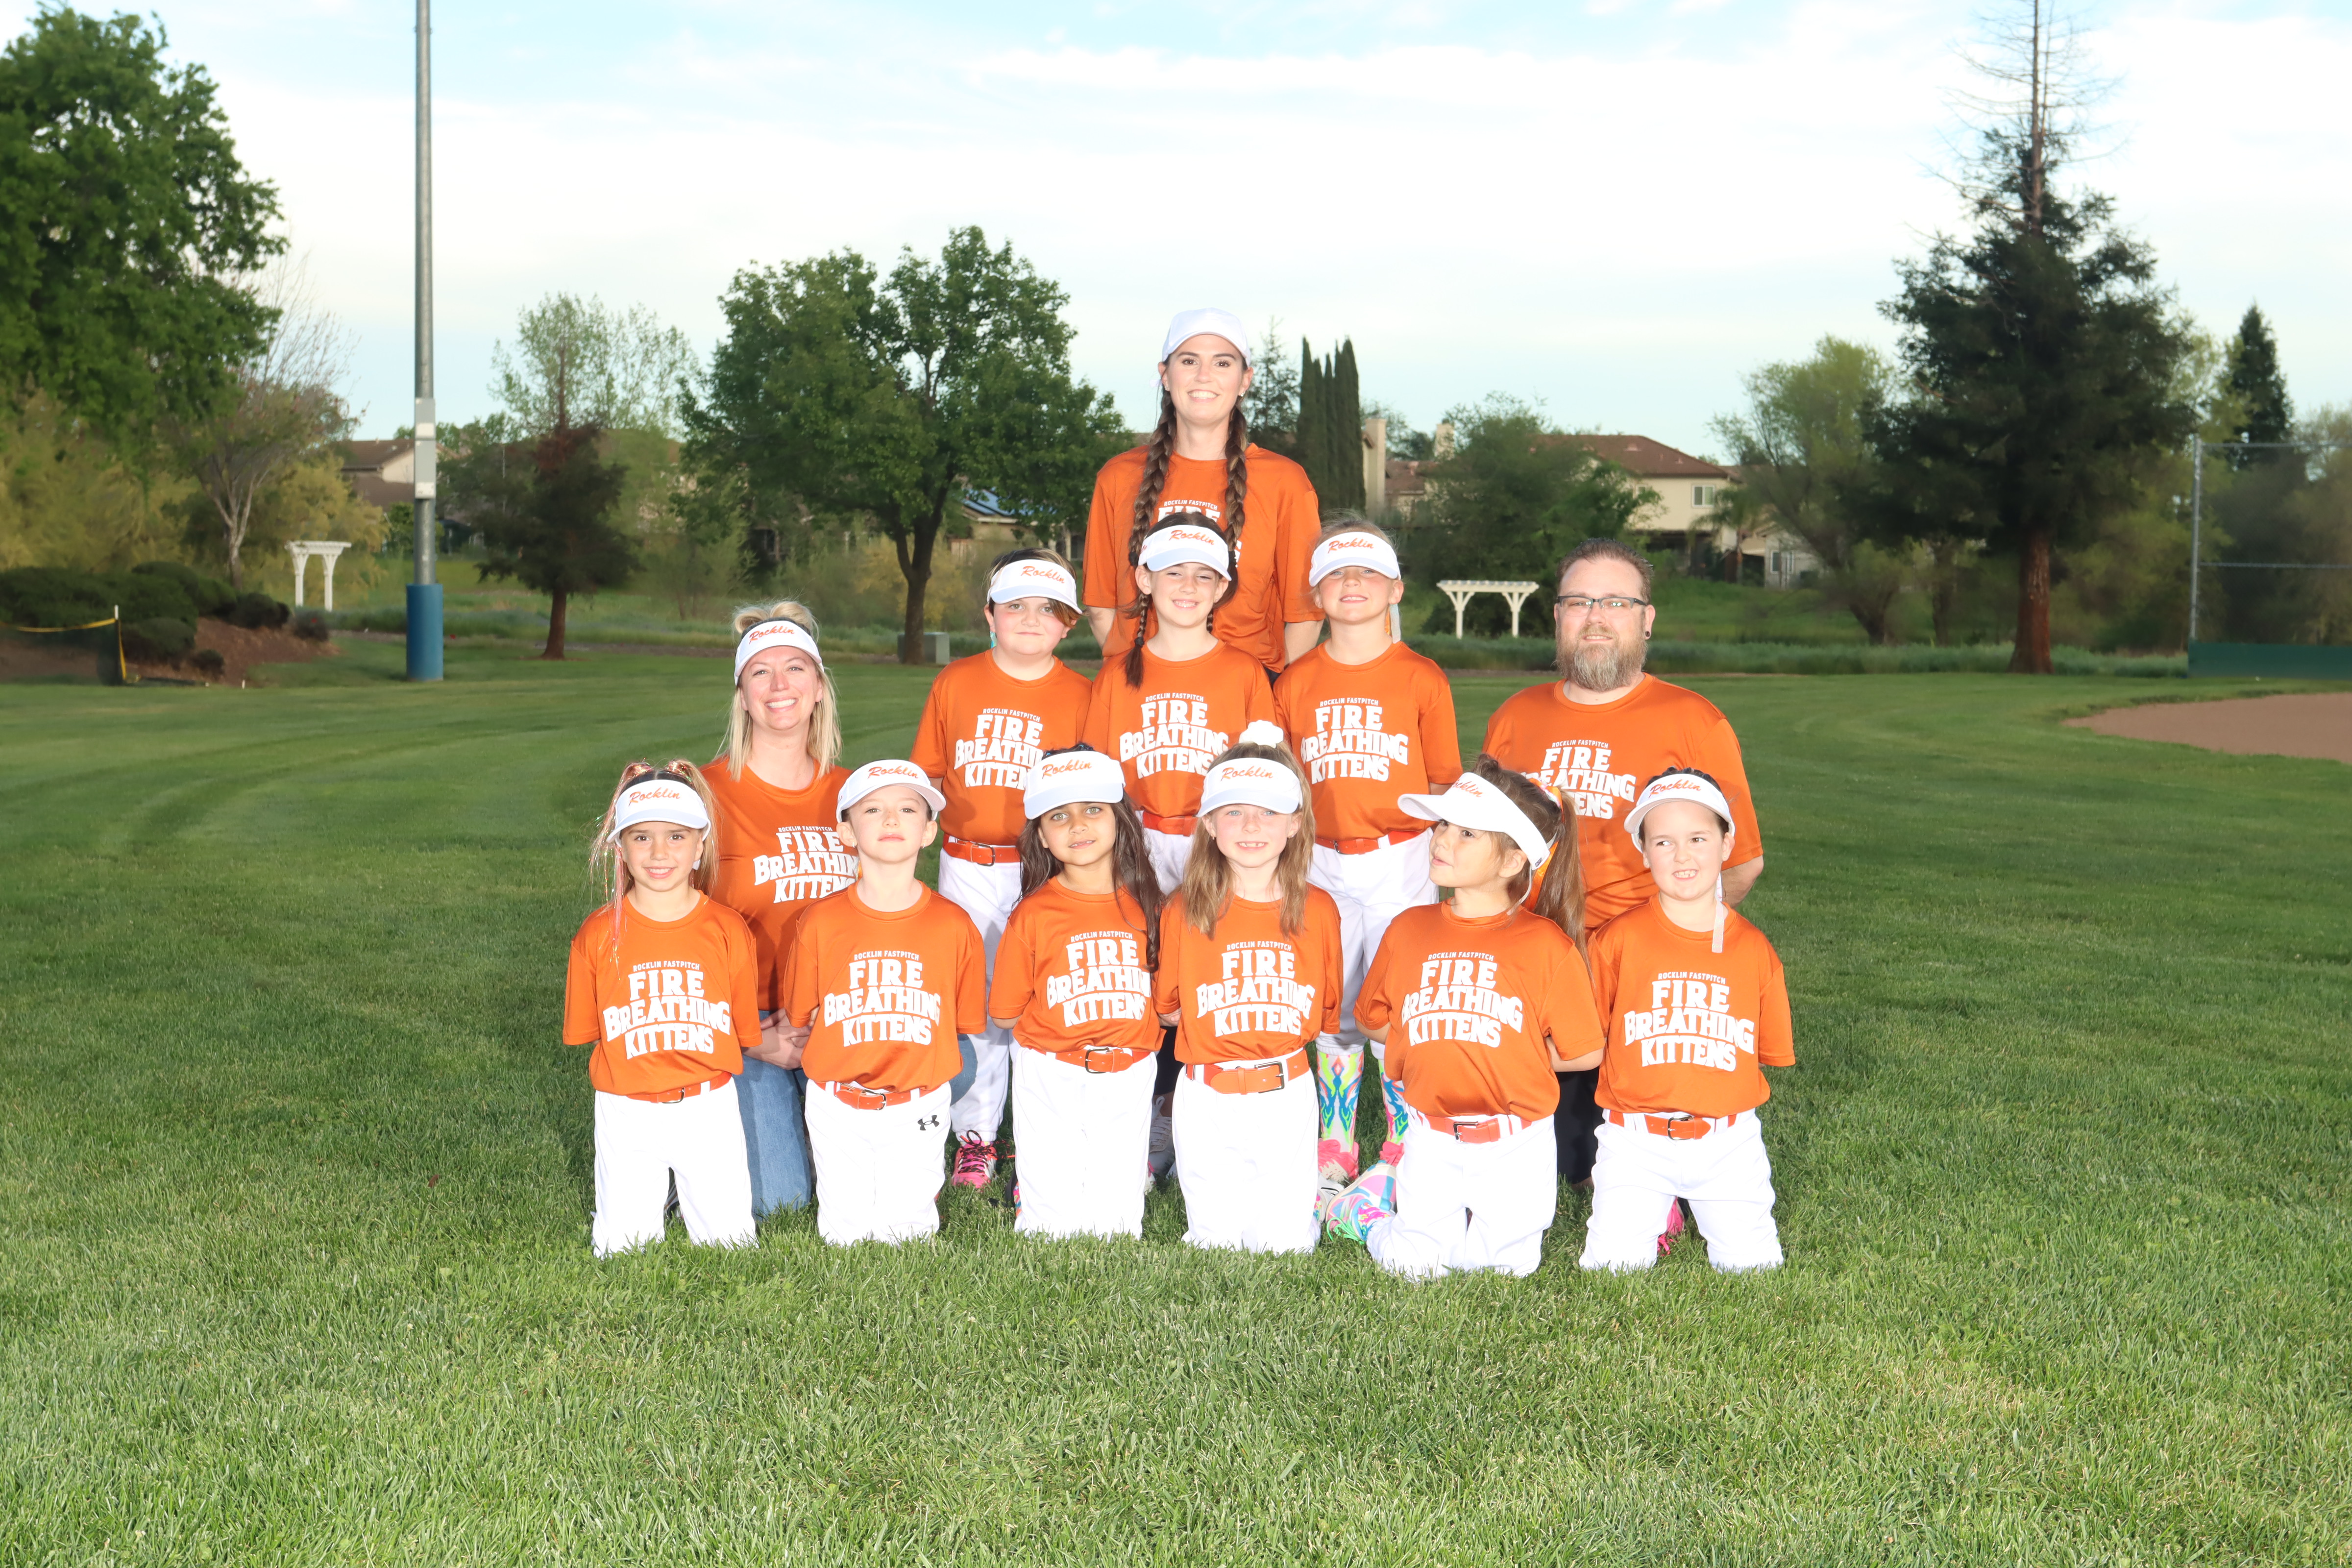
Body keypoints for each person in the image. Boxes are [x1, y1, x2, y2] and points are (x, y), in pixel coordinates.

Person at [1482, 539, 1766, 1187]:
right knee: (1552, 1163)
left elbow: (1741, 863)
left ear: (1647, 618)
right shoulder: (1516, 717)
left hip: (1637, 975)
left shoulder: (1693, 720)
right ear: (1558, 616)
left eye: (1616, 602)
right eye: (1580, 602)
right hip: (1537, 963)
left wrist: (1665, 946)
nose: (1596, 617)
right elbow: (1486, 852)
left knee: (1644, 1162)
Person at [1326, 760, 1604, 1278]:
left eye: (1467, 833)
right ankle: (1367, 1212)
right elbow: (1372, 1019)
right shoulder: (1409, 929)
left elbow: (1585, 1051)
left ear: (1513, 860)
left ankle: (1463, 1220)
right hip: (1431, 1134)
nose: (1442, 839)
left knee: (1502, 1270)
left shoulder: (1545, 945)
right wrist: (1430, 1041)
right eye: (1443, 825)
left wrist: (1509, 1056)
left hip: (1516, 1141)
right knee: (1417, 1267)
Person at [1273, 517, 1461, 1203]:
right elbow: (1284, 782)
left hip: (1399, 854)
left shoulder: (1421, 676)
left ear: (1395, 589)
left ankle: (1404, 1141)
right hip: (1319, 857)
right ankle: (1337, 1139)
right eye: (1337, 572)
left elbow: (1442, 780)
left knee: (1399, 1001)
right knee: (1335, 1001)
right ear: (1316, 592)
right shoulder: (1296, 681)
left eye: (1369, 572)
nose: (1353, 582)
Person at [910, 550, 1093, 1192]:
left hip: (1049, 865)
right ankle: (977, 1136)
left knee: (1049, 996)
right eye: (1016, 606)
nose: (1031, 619)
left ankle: (1048, 1133)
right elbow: (929, 777)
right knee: (981, 1001)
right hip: (968, 861)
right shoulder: (957, 681)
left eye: (1047, 609)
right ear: (989, 615)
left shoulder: (1083, 695)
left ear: (1068, 623)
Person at [1578, 769, 1793, 1273]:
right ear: (1643, 851)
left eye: (1698, 838)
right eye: (1663, 842)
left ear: (1727, 844)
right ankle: (1656, 1212)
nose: (1682, 855)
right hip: (1634, 1140)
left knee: (1753, 1269)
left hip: (1729, 1141)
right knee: (1612, 1269)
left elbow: (1768, 1051)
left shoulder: (1754, 950)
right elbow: (1586, 1038)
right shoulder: (1616, 941)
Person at [776, 760, 988, 1247]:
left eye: (908, 809)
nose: (892, 819)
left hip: (919, 1099)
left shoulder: (955, 925)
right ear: (846, 832)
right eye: (873, 809)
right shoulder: (820, 921)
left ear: (929, 830)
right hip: (837, 1101)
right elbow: (800, 1013)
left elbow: (961, 1023)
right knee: (842, 1235)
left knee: (906, 1233)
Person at [562, 762, 760, 1258]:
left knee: (731, 1245)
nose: (659, 852)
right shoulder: (597, 934)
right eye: (641, 837)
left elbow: (740, 1030)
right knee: (622, 1248)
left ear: (701, 846)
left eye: (676, 836)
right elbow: (590, 1031)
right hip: (627, 1107)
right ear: (621, 848)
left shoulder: (728, 929)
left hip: (709, 1104)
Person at [1152, 737, 1341, 1255]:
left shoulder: (1320, 911)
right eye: (1234, 812)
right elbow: (1168, 1010)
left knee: (1284, 1245)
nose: (1252, 826)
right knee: (1213, 1241)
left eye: (1268, 812)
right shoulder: (1183, 909)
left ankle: (1321, 1201)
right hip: (1206, 1092)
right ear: (1210, 824)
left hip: (1285, 1090)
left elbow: (1325, 1012)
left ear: (1295, 822)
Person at [703, 605, 857, 1218]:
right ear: (742, 696)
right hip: (749, 1024)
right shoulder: (705, 794)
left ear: (818, 687)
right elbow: (670, 933)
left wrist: (842, 1021)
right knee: (782, 1199)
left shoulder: (856, 794)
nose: (779, 685)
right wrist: (751, 1034)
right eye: (760, 673)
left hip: (838, 1017)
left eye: (795, 667)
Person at [1080, 308, 1323, 675]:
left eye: (1222, 363)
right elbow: (1101, 605)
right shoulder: (1118, 477)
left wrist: (1267, 693)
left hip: (1247, 695)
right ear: (1165, 375)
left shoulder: (1285, 482)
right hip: (1141, 688)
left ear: (1245, 380)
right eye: (1189, 361)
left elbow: (1305, 614)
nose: (1204, 375)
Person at [988, 747, 1163, 1240]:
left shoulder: (1151, 906)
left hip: (1129, 1069)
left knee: (1118, 1226)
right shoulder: (1033, 913)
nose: (1078, 825)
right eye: (1058, 816)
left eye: (1093, 809)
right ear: (1042, 835)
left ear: (1120, 820)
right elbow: (1005, 1014)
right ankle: (1032, 1191)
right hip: (1052, 1069)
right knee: (1048, 1225)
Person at [1082, 514, 1280, 892]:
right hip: (1136, 842)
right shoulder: (1115, 675)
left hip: (1219, 842)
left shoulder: (1245, 672)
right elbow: (1095, 779)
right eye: (1174, 572)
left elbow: (1264, 774)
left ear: (1221, 587)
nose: (1188, 586)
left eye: (1204, 576)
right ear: (1145, 579)